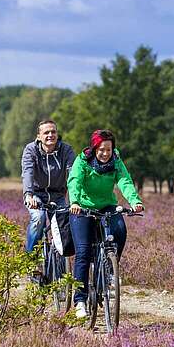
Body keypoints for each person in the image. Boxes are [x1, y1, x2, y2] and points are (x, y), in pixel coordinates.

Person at [67, 129, 144, 319]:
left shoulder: (116, 161)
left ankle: (110, 270)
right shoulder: (82, 161)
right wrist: (74, 202)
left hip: (107, 205)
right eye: (101, 149)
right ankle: (80, 301)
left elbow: (125, 181)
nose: (105, 153)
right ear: (94, 148)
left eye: (108, 149)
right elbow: (74, 181)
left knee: (119, 229)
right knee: (83, 252)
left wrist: (134, 202)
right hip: (82, 208)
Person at [21, 119, 76, 255]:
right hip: (36, 195)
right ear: (39, 136)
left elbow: (73, 175)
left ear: (57, 134)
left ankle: (61, 265)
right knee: (39, 219)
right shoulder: (31, 150)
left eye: (53, 132)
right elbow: (27, 172)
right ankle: (31, 260)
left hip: (58, 195)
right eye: (46, 132)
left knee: (64, 225)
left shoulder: (66, 150)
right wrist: (29, 194)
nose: (50, 135)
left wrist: (75, 199)